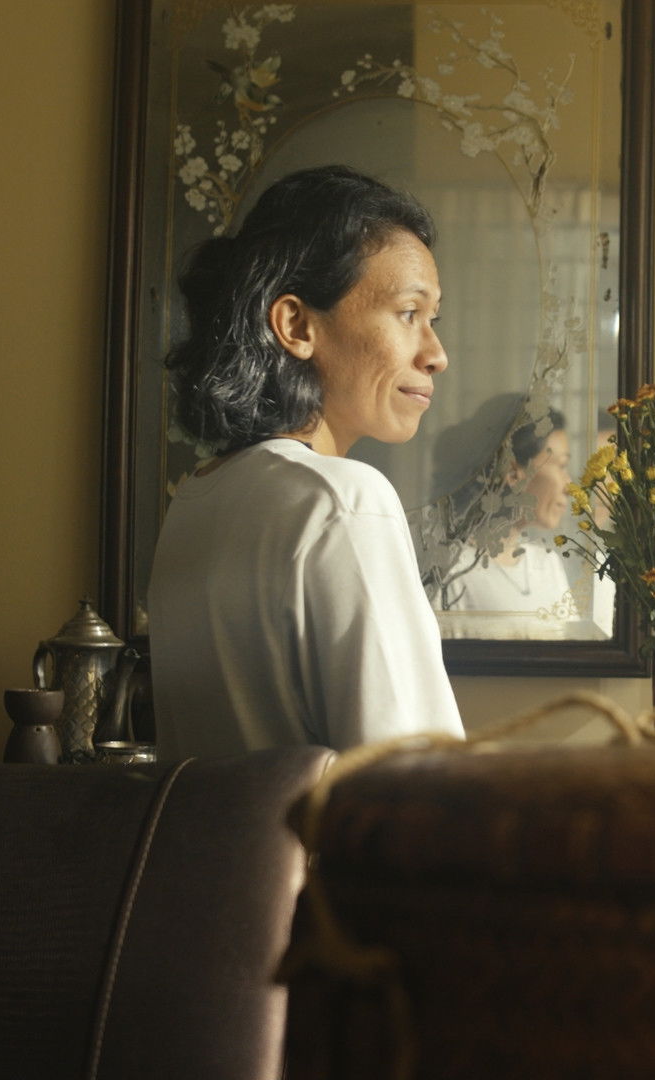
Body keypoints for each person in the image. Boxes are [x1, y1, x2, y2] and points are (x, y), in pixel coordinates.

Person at [147, 165, 466, 758]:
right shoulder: (343, 500)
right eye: (408, 313)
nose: (436, 354)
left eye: (433, 320)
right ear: (296, 324)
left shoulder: (193, 503)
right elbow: (413, 779)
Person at [440, 403, 582, 636]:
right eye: (561, 466)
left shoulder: (547, 564)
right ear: (514, 474)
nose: (569, 486)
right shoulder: (455, 570)